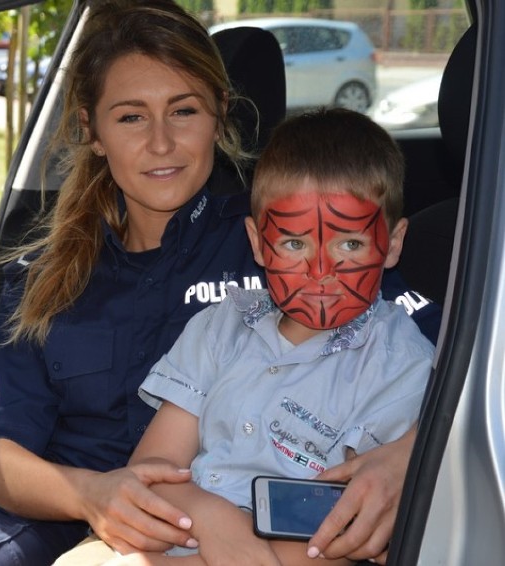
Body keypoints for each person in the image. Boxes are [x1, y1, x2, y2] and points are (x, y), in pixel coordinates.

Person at [0, 2, 439, 565]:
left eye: (183, 111)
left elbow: (463, 371)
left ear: (219, 114)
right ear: (94, 130)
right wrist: (92, 495)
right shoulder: (44, 272)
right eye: (131, 116)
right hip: (53, 514)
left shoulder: (287, 243)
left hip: (229, 527)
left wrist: (405, 459)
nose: (160, 142)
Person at [53, 107, 434, 566]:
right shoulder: (221, 327)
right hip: (182, 528)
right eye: (294, 243)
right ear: (257, 243)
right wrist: (216, 521)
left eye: (349, 244)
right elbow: (151, 473)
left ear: (391, 244)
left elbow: (347, 526)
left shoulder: (401, 363)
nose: (320, 271)